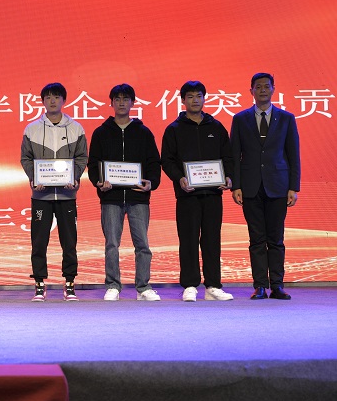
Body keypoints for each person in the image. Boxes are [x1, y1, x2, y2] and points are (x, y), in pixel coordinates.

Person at [87, 83, 162, 301]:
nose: (121, 103)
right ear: (111, 102)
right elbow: (93, 164)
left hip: (138, 196)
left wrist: (151, 183)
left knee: (142, 244)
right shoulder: (101, 132)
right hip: (110, 197)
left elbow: (153, 162)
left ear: (133, 102)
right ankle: (113, 285)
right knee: (112, 244)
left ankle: (143, 287)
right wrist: (99, 182)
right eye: (117, 99)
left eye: (126, 99)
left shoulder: (143, 132)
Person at [161, 81, 234, 302]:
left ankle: (213, 286)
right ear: (183, 100)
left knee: (212, 240)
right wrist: (180, 178)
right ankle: (190, 285)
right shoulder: (174, 129)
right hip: (187, 194)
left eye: (199, 96)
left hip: (213, 193)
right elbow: (167, 160)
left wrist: (228, 176)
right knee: (188, 240)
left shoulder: (216, 127)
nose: (195, 100)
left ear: (204, 98)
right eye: (190, 96)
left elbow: (228, 156)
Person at [230, 73, 300, 300]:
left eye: (266, 86)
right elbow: (235, 155)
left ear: (273, 89)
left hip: (278, 185)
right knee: (256, 239)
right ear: (251, 91)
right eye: (258, 87)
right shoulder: (240, 119)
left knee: (276, 239)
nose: (262, 90)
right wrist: (236, 186)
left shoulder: (286, 118)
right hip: (250, 186)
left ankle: (277, 285)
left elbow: (293, 154)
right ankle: (260, 285)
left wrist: (293, 187)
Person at [20, 82, 88, 302]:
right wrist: (34, 178)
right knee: (39, 241)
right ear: (42, 101)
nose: (52, 101)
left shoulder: (76, 128)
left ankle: (69, 284)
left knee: (69, 241)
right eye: (48, 97)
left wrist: (74, 177)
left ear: (64, 100)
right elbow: (26, 158)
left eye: (57, 97)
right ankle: (39, 284)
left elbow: (82, 157)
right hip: (41, 196)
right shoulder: (32, 129)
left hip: (67, 196)